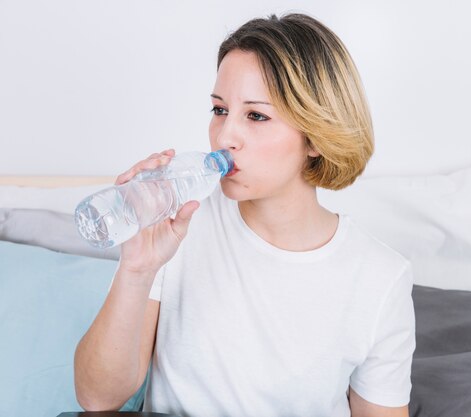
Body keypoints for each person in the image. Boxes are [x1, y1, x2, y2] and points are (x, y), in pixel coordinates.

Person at [74, 13, 415, 417]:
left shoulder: (379, 277)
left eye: (256, 115)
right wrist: (136, 270)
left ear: (317, 137)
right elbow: (97, 400)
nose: (224, 136)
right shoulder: (179, 225)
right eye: (220, 110)